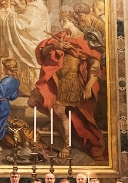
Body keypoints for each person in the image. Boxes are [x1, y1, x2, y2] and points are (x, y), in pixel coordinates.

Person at [27, 11, 105, 159]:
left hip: (72, 82)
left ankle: (66, 146)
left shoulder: (85, 39)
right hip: (57, 81)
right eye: (60, 20)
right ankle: (56, 121)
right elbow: (43, 52)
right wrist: (55, 46)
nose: (61, 23)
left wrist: (88, 86)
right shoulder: (61, 37)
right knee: (33, 101)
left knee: (60, 110)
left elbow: (95, 62)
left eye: (64, 20)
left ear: (73, 21)